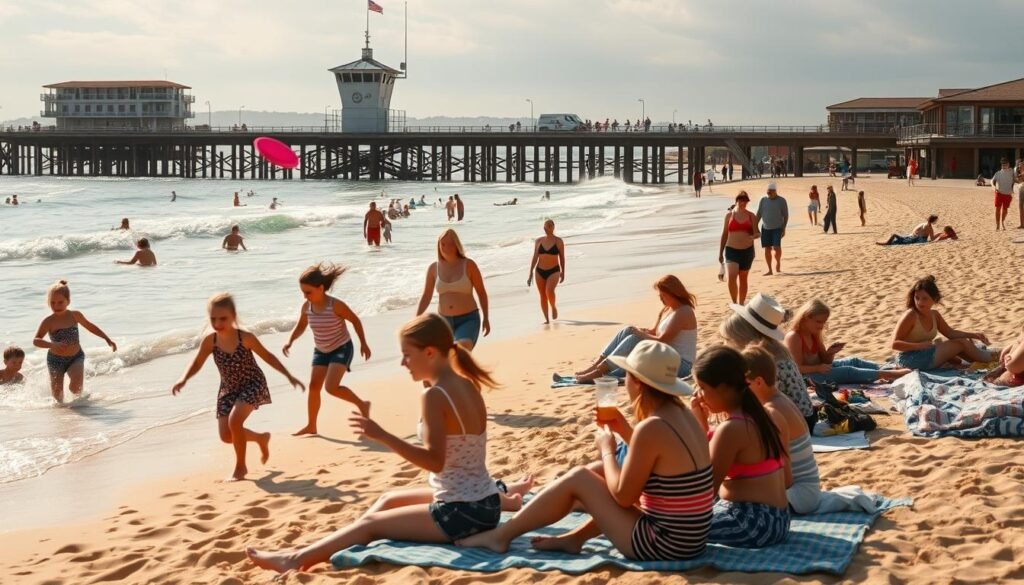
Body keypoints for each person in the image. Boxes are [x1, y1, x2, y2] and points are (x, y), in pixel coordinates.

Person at [246, 313, 503, 572]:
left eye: (407, 355)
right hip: (487, 503)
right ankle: (338, 542)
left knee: (372, 524)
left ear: (429, 353)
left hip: (463, 512)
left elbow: (434, 462)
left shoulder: (435, 395)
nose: (403, 363)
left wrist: (383, 436)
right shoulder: (468, 384)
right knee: (389, 499)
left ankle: (295, 560)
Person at [459, 340, 713, 561]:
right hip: (691, 538)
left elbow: (624, 496)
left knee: (581, 477)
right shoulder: (682, 414)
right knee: (601, 472)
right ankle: (574, 539)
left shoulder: (652, 426)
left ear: (637, 382)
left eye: (627, 377)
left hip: (665, 544)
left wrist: (607, 449)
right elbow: (659, 458)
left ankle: (501, 536)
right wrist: (624, 429)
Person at [172, 293, 303, 481]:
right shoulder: (211, 341)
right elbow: (197, 362)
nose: (218, 323)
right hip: (228, 389)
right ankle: (260, 438)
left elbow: (268, 357)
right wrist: (183, 379)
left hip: (252, 383)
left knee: (235, 423)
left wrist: (289, 376)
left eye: (223, 318)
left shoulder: (246, 338)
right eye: (213, 319)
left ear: (233, 316)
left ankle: (240, 468)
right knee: (226, 436)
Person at [689, 345, 791, 547]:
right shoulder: (767, 415)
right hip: (779, 519)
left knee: (674, 529)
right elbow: (788, 480)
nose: (699, 395)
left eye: (702, 387)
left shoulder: (731, 429)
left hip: (753, 523)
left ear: (724, 387)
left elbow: (706, 490)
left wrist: (698, 427)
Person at [284, 264, 372, 435]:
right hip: (321, 350)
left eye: (308, 292)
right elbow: (301, 326)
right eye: (302, 292)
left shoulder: (335, 305)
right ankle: (311, 426)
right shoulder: (306, 307)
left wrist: (363, 343)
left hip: (342, 347)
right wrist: (290, 341)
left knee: (331, 388)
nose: (305, 296)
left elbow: (355, 320)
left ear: (321, 288)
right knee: (314, 386)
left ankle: (362, 404)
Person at [741, 345, 822, 513]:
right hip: (807, 489)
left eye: (742, 385)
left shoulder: (773, 411)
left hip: (799, 494)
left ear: (758, 382)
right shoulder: (780, 399)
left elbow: (784, 475)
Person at [572, 275, 697, 382]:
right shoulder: (668, 310)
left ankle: (599, 372)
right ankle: (596, 366)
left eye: (663, 295)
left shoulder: (683, 312)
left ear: (673, 293)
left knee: (634, 339)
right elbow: (654, 332)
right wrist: (640, 330)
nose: (661, 298)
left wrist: (639, 334)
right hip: (664, 357)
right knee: (628, 331)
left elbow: (662, 340)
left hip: (679, 365)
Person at [719, 294, 816, 431]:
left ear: (743, 337)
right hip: (803, 417)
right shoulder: (776, 350)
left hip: (794, 424)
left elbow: (757, 404)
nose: (725, 344)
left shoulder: (763, 362)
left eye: (728, 339)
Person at [786, 299, 909, 385]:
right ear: (806, 318)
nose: (822, 326)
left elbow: (825, 362)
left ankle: (889, 368)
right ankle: (889, 374)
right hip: (808, 377)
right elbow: (797, 368)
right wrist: (819, 367)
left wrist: (831, 353)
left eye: (824, 322)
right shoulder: (794, 337)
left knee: (853, 360)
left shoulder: (814, 333)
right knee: (848, 371)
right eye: (819, 322)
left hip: (818, 370)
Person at [33, 280, 117, 403]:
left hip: (76, 357)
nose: (56, 306)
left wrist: (106, 338)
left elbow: (90, 326)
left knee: (76, 388)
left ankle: (80, 408)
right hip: (55, 360)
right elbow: (36, 340)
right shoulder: (48, 321)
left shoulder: (75, 315)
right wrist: (52, 344)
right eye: (52, 303)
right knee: (58, 397)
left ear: (68, 301)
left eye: (60, 302)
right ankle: (63, 415)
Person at [891, 276, 994, 371]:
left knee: (958, 347)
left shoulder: (935, 315)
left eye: (924, 298)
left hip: (924, 354)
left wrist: (973, 335)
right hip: (909, 360)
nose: (919, 302)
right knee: (960, 343)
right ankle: (991, 359)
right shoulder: (911, 315)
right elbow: (895, 344)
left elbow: (951, 333)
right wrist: (919, 346)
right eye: (917, 298)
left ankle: (984, 361)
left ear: (935, 299)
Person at [416, 229, 491, 350]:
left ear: (456, 245)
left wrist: (486, 318)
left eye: (450, 244)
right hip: (443, 322)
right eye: (443, 244)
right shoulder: (433, 268)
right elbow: (426, 296)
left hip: (468, 319)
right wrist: (416, 319)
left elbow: (481, 292)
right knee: (447, 360)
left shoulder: (469, 265)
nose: (446, 247)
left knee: (460, 349)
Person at [718, 192, 757, 304]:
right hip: (731, 250)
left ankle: (741, 303)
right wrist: (720, 252)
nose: (743, 203)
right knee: (731, 277)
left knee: (743, 279)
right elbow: (724, 234)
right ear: (736, 201)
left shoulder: (751, 216)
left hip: (747, 251)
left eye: (745, 201)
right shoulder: (729, 216)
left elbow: (757, 232)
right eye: (741, 201)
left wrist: (754, 236)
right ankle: (735, 302)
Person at [527, 219, 566, 324]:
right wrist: (530, 272)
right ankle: (546, 319)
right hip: (539, 271)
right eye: (545, 226)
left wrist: (563, 272)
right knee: (542, 295)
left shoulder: (558, 241)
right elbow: (535, 257)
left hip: (554, 271)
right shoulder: (538, 241)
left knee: (549, 291)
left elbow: (562, 257)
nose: (547, 228)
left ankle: (553, 306)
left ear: (553, 227)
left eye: (549, 225)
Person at [755, 183, 789, 275]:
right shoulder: (763, 200)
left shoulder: (781, 200)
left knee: (776, 248)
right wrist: (755, 226)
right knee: (767, 249)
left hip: (777, 228)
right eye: (768, 192)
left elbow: (785, 215)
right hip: (765, 228)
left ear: (775, 191)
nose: (769, 194)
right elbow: (759, 214)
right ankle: (770, 269)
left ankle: (778, 262)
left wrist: (784, 228)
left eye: (770, 192)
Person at [983, 322, 1024, 387]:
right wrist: (1013, 345)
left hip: (1016, 377)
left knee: (993, 380)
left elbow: (1014, 366)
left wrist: (1007, 360)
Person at [991, 157, 1016, 231]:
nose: (1004, 165)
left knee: (1005, 210)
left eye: (1005, 163)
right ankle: (998, 225)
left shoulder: (1012, 171)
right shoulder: (998, 173)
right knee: (998, 209)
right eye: (1003, 164)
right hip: (999, 193)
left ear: (1008, 164)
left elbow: (1017, 175)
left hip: (1008, 194)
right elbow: (992, 181)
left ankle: (1002, 222)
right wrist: (994, 187)